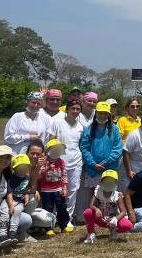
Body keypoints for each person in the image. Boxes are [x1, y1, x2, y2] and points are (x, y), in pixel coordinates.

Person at [77, 101, 122, 223]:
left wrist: (105, 163)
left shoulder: (115, 129)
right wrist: (92, 163)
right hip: (93, 169)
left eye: (105, 113)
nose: (102, 116)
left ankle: (109, 217)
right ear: (96, 113)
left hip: (109, 168)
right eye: (100, 113)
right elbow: (84, 148)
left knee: (110, 192)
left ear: (108, 114)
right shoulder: (88, 129)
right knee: (95, 194)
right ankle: (95, 217)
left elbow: (118, 149)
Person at [47, 97, 85, 229]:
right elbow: (51, 141)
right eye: (73, 108)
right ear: (67, 109)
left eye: (78, 109)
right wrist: (50, 160)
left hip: (76, 162)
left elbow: (80, 145)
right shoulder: (57, 122)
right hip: (58, 162)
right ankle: (52, 219)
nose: (75, 111)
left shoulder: (80, 127)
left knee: (73, 190)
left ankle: (67, 218)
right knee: (55, 191)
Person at [83, 170, 133, 244]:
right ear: (101, 181)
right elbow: (91, 205)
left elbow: (123, 211)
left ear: (116, 183)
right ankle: (91, 233)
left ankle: (114, 231)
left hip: (113, 220)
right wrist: (96, 209)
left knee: (127, 225)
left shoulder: (117, 195)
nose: (108, 183)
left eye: (111, 181)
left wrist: (116, 219)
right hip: (101, 218)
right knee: (88, 212)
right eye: (106, 181)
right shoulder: (98, 191)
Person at [0, 154, 31, 247]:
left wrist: (27, 194)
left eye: (25, 167)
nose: (23, 169)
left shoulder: (27, 178)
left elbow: (27, 188)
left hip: (19, 202)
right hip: (8, 201)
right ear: (15, 168)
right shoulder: (11, 178)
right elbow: (9, 192)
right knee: (5, 213)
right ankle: (2, 234)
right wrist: (11, 205)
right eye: (20, 167)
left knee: (17, 213)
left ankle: (12, 233)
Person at [39, 139, 71, 237]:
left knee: (62, 208)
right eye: (54, 149)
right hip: (46, 190)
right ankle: (48, 228)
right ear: (49, 150)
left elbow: (64, 175)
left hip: (58, 189)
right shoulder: (44, 161)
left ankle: (64, 225)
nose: (57, 152)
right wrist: (47, 168)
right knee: (47, 209)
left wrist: (64, 188)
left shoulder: (61, 162)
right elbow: (39, 175)